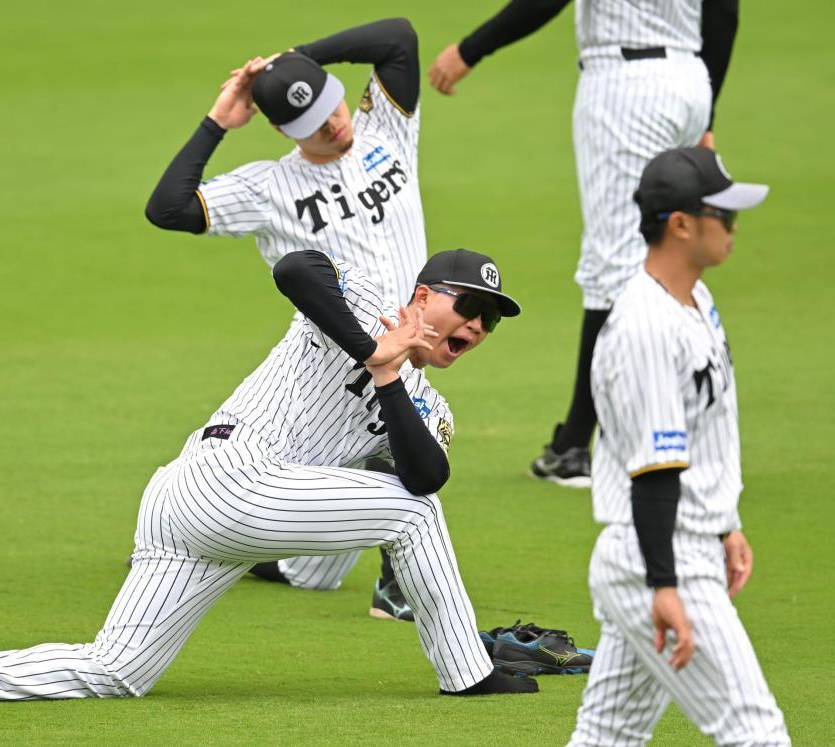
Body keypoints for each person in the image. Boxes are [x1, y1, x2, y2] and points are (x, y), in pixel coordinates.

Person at [0, 248, 543, 710]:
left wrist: (389, 375)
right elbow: (296, 268)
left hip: (225, 514)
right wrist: (374, 348)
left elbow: (425, 474)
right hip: (224, 478)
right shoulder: (367, 308)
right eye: (471, 307)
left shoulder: (430, 405)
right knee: (410, 517)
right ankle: (467, 671)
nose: (478, 328)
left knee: (120, 670)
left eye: (491, 321)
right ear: (425, 296)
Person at [146, 17, 427, 617]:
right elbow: (168, 208)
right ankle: (394, 581)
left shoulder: (387, 130)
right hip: (339, 356)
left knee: (315, 571)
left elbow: (398, 36)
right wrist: (219, 120)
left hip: (411, 337)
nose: (332, 122)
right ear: (279, 128)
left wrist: (293, 58)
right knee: (402, 437)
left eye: (330, 104)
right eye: (311, 123)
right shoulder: (268, 187)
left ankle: (251, 550)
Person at [428, 0, 740, 487]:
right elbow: (723, 10)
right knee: (672, 257)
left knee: (612, 268)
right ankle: (678, 428)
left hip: (626, 87)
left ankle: (582, 445)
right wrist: (707, 109)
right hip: (691, 81)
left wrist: (471, 49)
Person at [567, 147, 789, 744]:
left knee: (607, 736)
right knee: (755, 731)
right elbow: (655, 470)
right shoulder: (645, 328)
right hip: (661, 557)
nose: (735, 230)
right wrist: (662, 586)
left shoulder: (694, 301)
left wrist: (727, 522)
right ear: (682, 224)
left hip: (676, 544)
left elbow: (704, 428)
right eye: (726, 216)